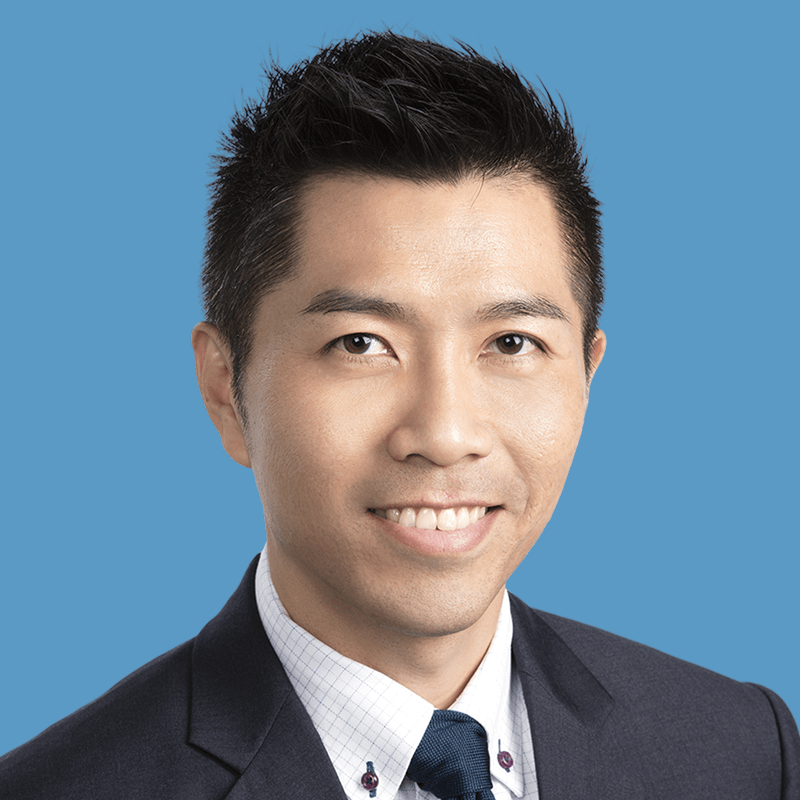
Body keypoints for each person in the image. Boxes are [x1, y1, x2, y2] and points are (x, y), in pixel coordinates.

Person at [1, 30, 797, 800]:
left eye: (512, 341)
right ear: (225, 388)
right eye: (360, 343)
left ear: (585, 375)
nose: (445, 434)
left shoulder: (740, 751)